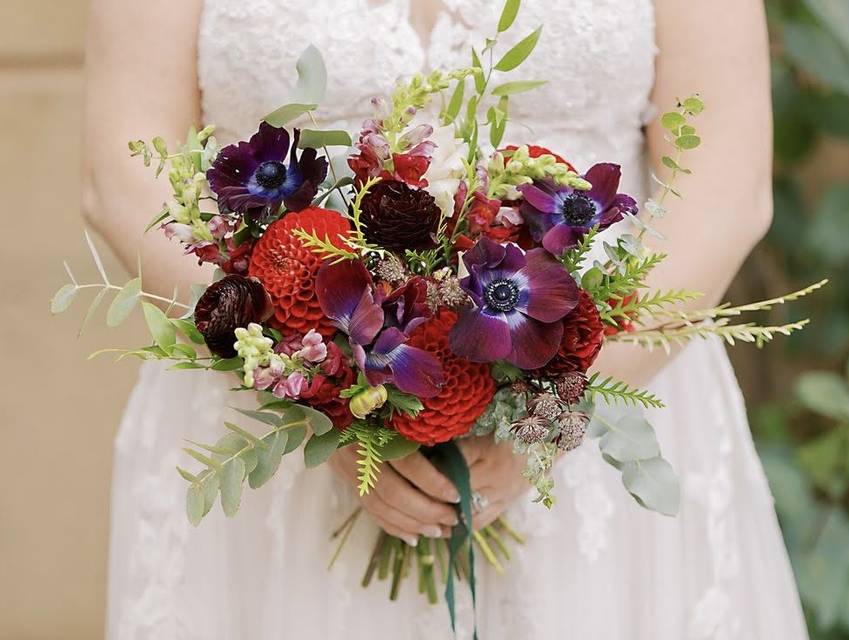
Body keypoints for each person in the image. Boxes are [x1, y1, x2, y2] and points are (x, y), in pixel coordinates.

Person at [85, 0, 808, 637]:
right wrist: (317, 396)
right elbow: (123, 176)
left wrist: (550, 414)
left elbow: (724, 183)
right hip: (273, 431)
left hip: (600, 412)